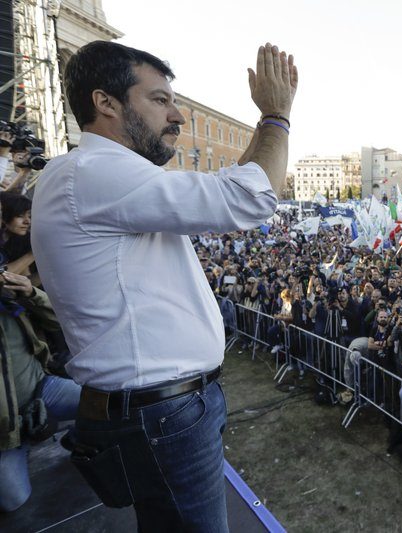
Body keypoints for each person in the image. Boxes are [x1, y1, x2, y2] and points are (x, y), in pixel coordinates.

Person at [30, 40, 297, 532]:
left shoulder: (92, 176)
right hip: (160, 414)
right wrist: (276, 116)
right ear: (105, 102)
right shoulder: (95, 173)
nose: (177, 116)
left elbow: (225, 196)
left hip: (160, 410)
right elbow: (247, 200)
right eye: (159, 100)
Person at [0, 272, 82, 512]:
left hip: (42, 390)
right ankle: (23, 439)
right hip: (4, 428)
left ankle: (80, 437)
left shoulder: (8, 299)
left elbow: (62, 322)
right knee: (14, 499)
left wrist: (32, 294)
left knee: (110, 401)